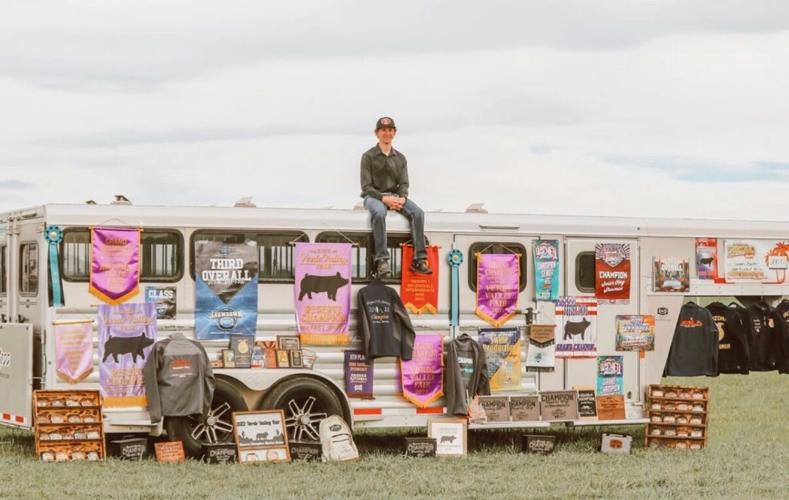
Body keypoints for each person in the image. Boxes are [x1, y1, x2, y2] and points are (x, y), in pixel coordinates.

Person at [360, 117, 432, 278]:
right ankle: (382, 260)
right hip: (373, 197)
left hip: (395, 197)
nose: (387, 133)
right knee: (379, 213)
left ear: (394, 132)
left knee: (418, 213)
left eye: (390, 130)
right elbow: (366, 187)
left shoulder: (400, 158)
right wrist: (384, 199)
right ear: (377, 133)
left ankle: (419, 259)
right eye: (383, 130)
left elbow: (404, 184)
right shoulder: (368, 156)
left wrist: (402, 198)